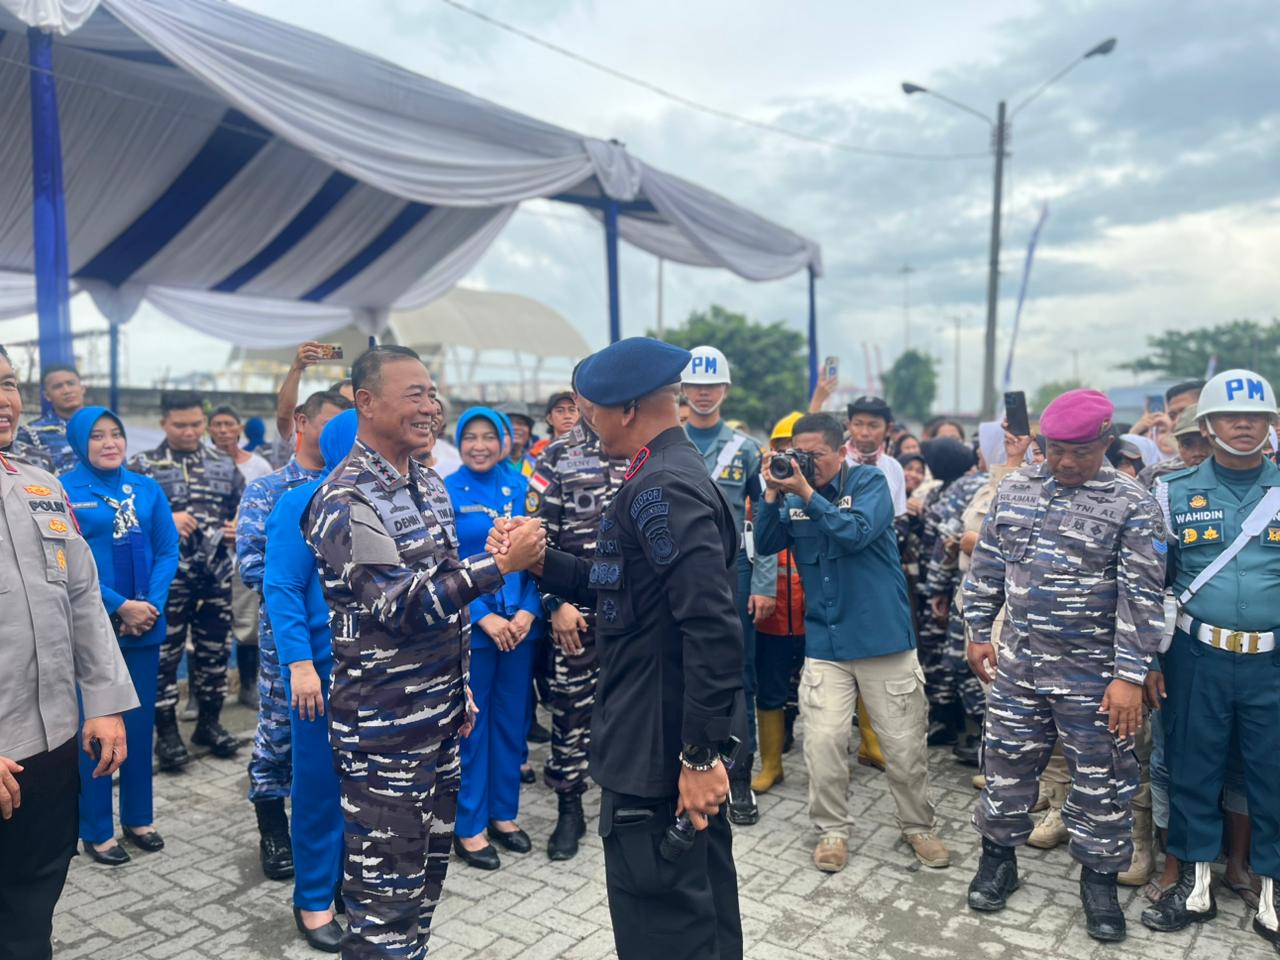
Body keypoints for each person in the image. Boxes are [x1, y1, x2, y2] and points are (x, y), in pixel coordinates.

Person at [306, 346, 544, 959]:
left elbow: (446, 591)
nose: (431, 407)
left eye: (433, 394)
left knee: (421, 890)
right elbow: (401, 605)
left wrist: (459, 686)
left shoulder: (429, 484)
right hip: (384, 733)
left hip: (438, 719)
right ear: (366, 402)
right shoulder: (346, 498)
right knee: (383, 905)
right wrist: (500, 567)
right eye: (415, 394)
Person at [512, 336, 744, 960]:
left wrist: (699, 756)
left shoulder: (661, 486)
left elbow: (713, 627)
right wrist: (542, 562)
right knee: (697, 916)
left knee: (666, 928)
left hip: (658, 748)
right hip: (654, 736)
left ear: (627, 409)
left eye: (590, 412)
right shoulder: (660, 472)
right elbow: (624, 585)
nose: (586, 426)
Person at [964, 388, 1166, 943]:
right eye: (1057, 450)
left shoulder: (1132, 502)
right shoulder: (1017, 488)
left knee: (1102, 780)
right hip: (1019, 666)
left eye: (1081, 451)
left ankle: (1099, 885)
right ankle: (997, 863)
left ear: (1106, 442)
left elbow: (1142, 597)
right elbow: (988, 565)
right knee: (1005, 765)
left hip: (1095, 676)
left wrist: (1128, 676)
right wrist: (977, 630)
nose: (1067, 462)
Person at [754, 412, 948, 874]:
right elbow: (764, 542)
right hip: (826, 640)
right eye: (798, 455)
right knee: (822, 742)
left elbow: (855, 532)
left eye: (816, 455)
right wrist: (771, 493)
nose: (806, 463)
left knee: (903, 747)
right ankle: (832, 830)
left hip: (882, 638)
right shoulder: (792, 492)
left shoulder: (869, 482)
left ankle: (917, 825)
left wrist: (806, 494)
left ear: (841, 452)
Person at [0, 344, 139, 960]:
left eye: (8, 383)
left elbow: (82, 598)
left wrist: (104, 704)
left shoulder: (41, 487)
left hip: (51, 748)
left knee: (33, 902)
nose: (4, 400)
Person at [1141, 369, 1280, 953]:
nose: (1243, 424)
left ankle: (1271, 893)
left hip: (1272, 659)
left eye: (1255, 416)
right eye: (1229, 415)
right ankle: (1194, 886)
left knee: (1272, 773)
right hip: (1197, 654)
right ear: (1206, 426)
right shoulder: (1171, 492)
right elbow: (1152, 582)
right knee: (1192, 767)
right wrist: (1149, 661)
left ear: (1271, 424)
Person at [237, 390, 351, 882]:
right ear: (302, 423)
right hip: (285, 639)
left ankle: (332, 836)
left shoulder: (356, 485)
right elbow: (253, 565)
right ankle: (272, 826)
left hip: (342, 643)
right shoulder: (270, 490)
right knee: (280, 732)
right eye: (331, 423)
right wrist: (316, 583)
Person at [62, 406, 180, 866]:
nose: (109, 443)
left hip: (144, 625)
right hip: (93, 626)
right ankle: (96, 829)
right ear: (79, 442)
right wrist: (119, 605)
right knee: (95, 727)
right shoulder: (62, 490)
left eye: (116, 434)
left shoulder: (146, 489)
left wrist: (149, 605)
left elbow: (167, 549)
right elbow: (68, 562)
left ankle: (138, 818)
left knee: (138, 725)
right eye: (97, 436)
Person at [263, 409, 359, 953]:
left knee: (366, 788)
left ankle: (351, 883)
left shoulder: (392, 503)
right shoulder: (300, 502)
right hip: (321, 674)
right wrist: (299, 663)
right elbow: (281, 586)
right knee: (320, 787)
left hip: (378, 673)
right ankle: (314, 899)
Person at [527, 393, 628, 860]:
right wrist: (555, 602)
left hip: (636, 612)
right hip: (576, 614)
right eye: (584, 394)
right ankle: (570, 806)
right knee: (570, 711)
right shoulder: (555, 456)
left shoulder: (641, 448)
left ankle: (626, 800)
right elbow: (534, 540)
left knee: (634, 709)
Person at [681, 344, 777, 825]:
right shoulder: (666, 442)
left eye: (712, 385)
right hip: (678, 572)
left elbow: (766, 519)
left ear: (726, 389)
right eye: (696, 385)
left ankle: (739, 776)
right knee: (679, 668)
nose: (704, 393)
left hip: (733, 571)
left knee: (738, 673)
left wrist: (765, 583)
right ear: (683, 389)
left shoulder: (746, 449)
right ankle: (685, 768)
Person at [445, 407, 543, 870]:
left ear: (505, 440)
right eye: (470, 437)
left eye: (489, 436)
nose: (479, 445)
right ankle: (469, 825)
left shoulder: (524, 488)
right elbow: (443, 565)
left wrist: (528, 612)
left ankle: (504, 814)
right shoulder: (445, 490)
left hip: (520, 628)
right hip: (474, 629)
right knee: (472, 725)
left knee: (511, 721)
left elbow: (542, 555)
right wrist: (483, 617)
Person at [129, 392, 244, 770]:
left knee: (214, 653)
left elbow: (241, 509)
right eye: (180, 425)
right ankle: (167, 734)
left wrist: (237, 529)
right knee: (165, 656)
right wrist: (165, 520)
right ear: (164, 423)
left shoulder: (222, 463)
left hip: (214, 577)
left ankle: (209, 724)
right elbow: (123, 523)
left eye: (196, 424)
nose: (190, 432)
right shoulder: (142, 467)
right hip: (166, 583)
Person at [751, 412, 808, 794]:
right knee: (770, 687)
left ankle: (824, 763)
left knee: (819, 692)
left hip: (813, 613)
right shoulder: (758, 492)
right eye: (781, 450)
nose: (788, 459)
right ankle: (771, 765)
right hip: (772, 614)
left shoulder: (818, 494)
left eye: (795, 452)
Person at [210, 405, 274, 710]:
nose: (223, 430)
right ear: (209, 430)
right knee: (207, 627)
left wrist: (245, 532)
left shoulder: (259, 466)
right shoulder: (201, 465)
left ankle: (248, 686)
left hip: (246, 559)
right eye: (217, 424)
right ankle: (201, 695)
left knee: (249, 626)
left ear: (240, 428)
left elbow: (271, 509)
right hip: (209, 560)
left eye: (229, 424)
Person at [914, 437, 978, 744]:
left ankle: (949, 720)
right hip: (952, 583)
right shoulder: (953, 488)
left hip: (950, 584)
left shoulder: (960, 489)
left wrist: (936, 588)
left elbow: (943, 542)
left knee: (947, 653)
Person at [843, 396, 908, 516]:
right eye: (858, 424)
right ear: (849, 426)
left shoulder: (894, 468)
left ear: (888, 429)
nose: (864, 433)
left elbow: (897, 517)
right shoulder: (834, 463)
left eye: (873, 426)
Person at [15, 363, 85, 475]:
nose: (66, 390)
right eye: (58, 386)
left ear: (82, 388)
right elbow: (26, 477)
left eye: (71, 383)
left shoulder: (103, 424)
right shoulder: (30, 433)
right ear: (47, 395)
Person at [1139, 404, 1212, 488]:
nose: (1197, 452)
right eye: (1187, 445)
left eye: (1206, 443)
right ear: (1179, 446)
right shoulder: (1154, 475)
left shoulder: (1226, 476)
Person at [529, 390, 578, 460]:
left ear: (580, 415)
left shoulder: (591, 448)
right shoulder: (536, 452)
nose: (567, 416)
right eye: (560, 411)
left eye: (572, 410)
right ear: (549, 419)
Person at [497, 401, 537, 476]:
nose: (515, 428)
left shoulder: (537, 466)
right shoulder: (488, 464)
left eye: (521, 423)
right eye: (509, 423)